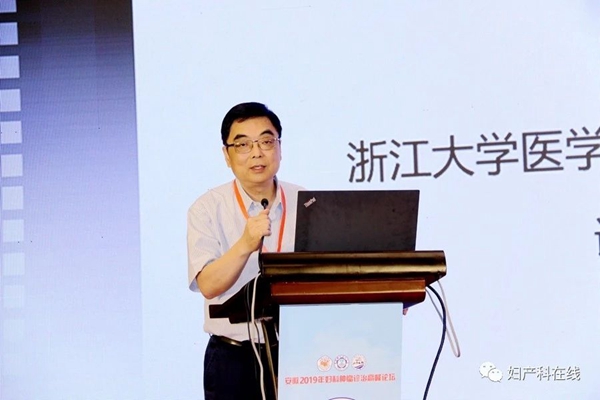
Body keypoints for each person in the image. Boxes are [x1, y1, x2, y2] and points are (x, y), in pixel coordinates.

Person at [187, 102, 304, 400]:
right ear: (226, 155)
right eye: (243, 144)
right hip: (233, 359)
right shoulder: (207, 208)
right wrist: (245, 245)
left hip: (299, 353)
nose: (257, 153)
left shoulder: (306, 201)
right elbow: (208, 285)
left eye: (266, 141)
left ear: (279, 147)